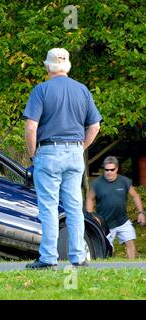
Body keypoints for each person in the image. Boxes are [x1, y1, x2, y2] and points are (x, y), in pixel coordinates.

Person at [23, 48, 102, 270]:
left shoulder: (41, 90)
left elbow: (31, 127)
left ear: (48, 66)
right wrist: (81, 147)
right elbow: (94, 126)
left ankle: (48, 258)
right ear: (68, 66)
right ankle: (78, 257)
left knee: (48, 207)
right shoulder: (82, 90)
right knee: (75, 207)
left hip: (48, 153)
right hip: (75, 154)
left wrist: (33, 153)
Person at [86, 156, 145, 259]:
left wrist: (141, 213)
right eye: (106, 169)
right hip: (105, 223)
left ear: (117, 169)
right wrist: (91, 216)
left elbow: (135, 196)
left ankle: (132, 266)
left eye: (112, 169)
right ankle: (105, 268)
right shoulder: (97, 184)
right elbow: (90, 199)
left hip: (122, 220)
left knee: (130, 242)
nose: (109, 172)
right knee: (105, 249)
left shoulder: (124, 181)